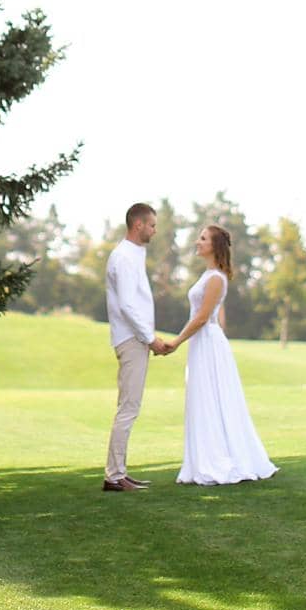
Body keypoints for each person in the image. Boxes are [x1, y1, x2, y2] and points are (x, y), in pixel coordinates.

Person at [163, 223, 278, 486]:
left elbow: (203, 317)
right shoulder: (209, 276)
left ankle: (220, 460)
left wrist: (177, 341)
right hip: (205, 343)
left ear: (214, 246)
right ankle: (203, 458)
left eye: (202, 238)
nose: (197, 242)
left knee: (212, 398)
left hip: (207, 342)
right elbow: (215, 315)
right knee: (204, 398)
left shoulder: (216, 278)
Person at [102, 202, 169, 491]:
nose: (155, 230)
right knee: (128, 408)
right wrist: (150, 338)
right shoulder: (124, 257)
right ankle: (114, 476)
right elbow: (128, 304)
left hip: (134, 338)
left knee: (129, 406)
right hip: (132, 340)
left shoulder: (132, 255)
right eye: (152, 225)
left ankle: (119, 472)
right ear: (138, 224)